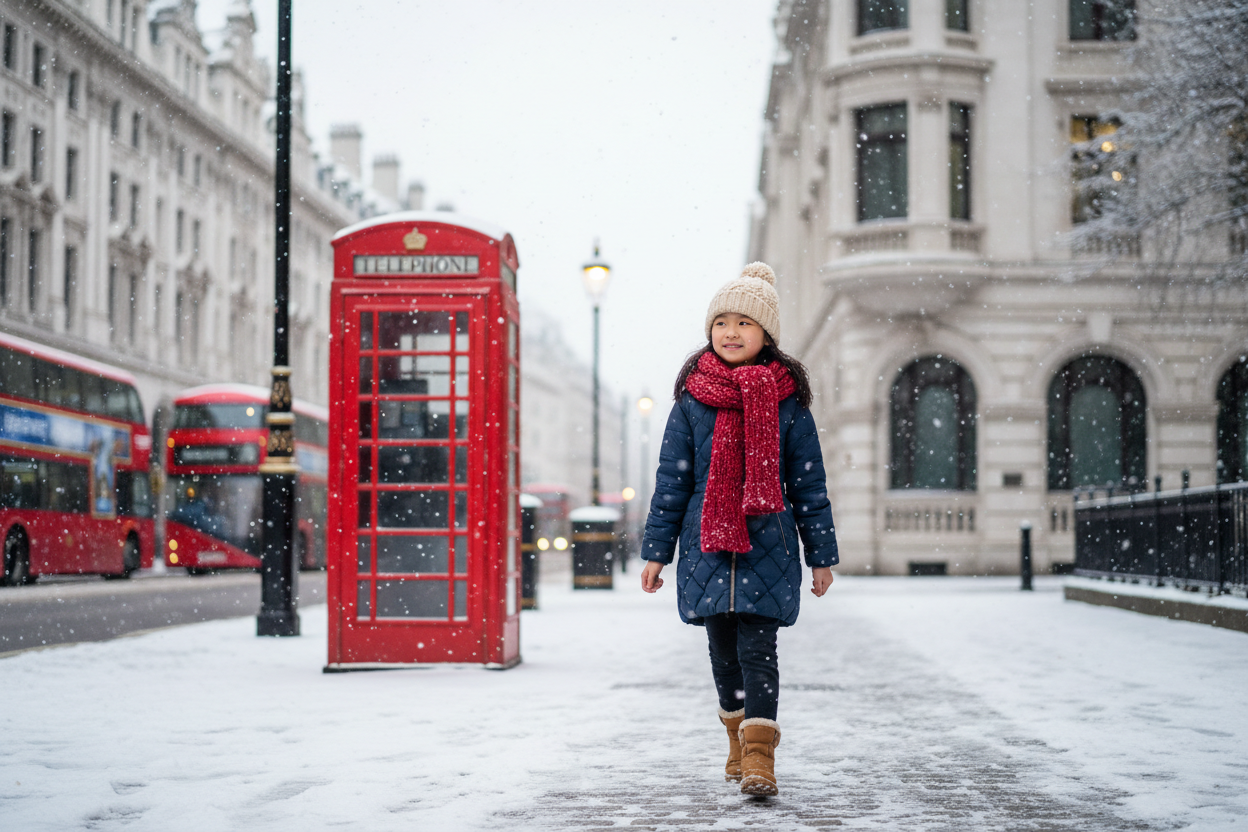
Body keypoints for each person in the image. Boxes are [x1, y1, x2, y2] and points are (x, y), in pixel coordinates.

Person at [639, 261, 838, 797]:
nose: (731, 332)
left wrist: (821, 555)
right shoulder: (690, 402)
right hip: (705, 545)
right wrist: (655, 553)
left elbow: (809, 486)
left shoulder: (789, 404)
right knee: (722, 655)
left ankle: (759, 759)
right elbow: (670, 486)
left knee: (758, 653)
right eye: (722, 321)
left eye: (744, 323)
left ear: (766, 335)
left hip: (766, 545)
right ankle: (736, 739)